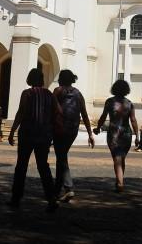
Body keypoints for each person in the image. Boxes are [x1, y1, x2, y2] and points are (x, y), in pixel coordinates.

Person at [8, 68, 61, 211]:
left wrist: (12, 131)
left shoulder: (27, 94)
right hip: (44, 135)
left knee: (21, 166)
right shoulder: (49, 95)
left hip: (27, 134)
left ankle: (16, 198)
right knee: (43, 166)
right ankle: (51, 198)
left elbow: (20, 112)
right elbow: (59, 111)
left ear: (30, 79)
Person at [52, 70, 95, 201]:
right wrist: (90, 133)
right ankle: (58, 190)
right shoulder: (78, 93)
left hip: (60, 128)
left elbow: (52, 109)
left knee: (61, 157)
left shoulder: (57, 91)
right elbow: (85, 114)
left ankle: (68, 188)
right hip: (73, 130)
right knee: (61, 156)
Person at [93, 79, 139, 192]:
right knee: (121, 158)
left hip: (114, 133)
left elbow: (103, 117)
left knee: (117, 158)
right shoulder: (129, 103)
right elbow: (133, 120)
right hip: (126, 134)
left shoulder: (109, 102)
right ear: (126, 90)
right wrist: (137, 135)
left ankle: (120, 183)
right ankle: (120, 180)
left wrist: (98, 128)